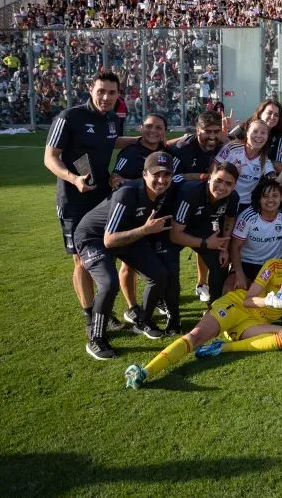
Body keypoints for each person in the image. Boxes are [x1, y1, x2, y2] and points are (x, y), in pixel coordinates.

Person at [124, 236, 282, 389]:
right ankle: (147, 371)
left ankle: (222, 348)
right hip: (237, 306)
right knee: (195, 336)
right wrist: (272, 300)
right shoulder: (275, 266)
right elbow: (249, 300)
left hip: (252, 324)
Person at [44, 71, 138, 333]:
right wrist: (73, 179)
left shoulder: (110, 119)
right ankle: (91, 317)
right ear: (90, 89)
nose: (106, 97)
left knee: (103, 257)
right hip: (73, 200)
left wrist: (147, 141)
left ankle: (103, 312)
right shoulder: (69, 117)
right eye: (101, 91)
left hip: (101, 199)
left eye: (111, 92)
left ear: (118, 94)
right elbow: (50, 157)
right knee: (81, 261)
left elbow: (111, 142)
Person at [73, 152, 177, 359]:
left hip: (129, 234)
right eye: (156, 174)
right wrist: (146, 230)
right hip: (93, 238)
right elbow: (109, 240)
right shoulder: (127, 193)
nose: (162, 180)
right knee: (109, 283)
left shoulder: (165, 190)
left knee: (159, 274)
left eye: (167, 175)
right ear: (144, 174)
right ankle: (96, 338)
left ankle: (142, 321)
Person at [107, 112, 170, 324]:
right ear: (141, 128)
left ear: (164, 132)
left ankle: (156, 297)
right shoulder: (131, 152)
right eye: (149, 126)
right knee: (129, 263)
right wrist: (121, 184)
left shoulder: (164, 153)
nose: (153, 131)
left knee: (154, 258)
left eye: (159, 128)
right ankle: (132, 307)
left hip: (154, 214)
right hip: (131, 216)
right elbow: (115, 177)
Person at [171, 162, 241, 302]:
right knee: (168, 268)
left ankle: (214, 307)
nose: (222, 187)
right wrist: (206, 243)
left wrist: (224, 248)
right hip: (176, 227)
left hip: (202, 226)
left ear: (234, 186)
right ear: (209, 178)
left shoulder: (233, 197)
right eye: (218, 181)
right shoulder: (190, 192)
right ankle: (172, 314)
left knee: (220, 263)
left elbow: (229, 220)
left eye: (228, 183)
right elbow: (175, 235)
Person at [229, 179, 282, 289]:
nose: (270, 200)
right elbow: (235, 246)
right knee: (229, 288)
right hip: (247, 262)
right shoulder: (248, 217)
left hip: (276, 263)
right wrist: (239, 274)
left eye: (275, 195)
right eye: (265, 196)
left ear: (281, 198)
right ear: (259, 199)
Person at [214, 119, 282, 211]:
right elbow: (212, 172)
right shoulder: (232, 148)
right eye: (255, 131)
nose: (259, 135)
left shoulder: (264, 160)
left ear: (267, 137)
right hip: (222, 198)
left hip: (244, 205)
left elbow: (276, 183)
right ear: (247, 133)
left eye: (263, 133)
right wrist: (231, 172)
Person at [228, 99, 282, 167]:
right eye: (269, 113)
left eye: (276, 115)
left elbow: (276, 164)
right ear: (260, 113)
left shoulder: (279, 135)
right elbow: (226, 143)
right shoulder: (245, 127)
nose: (272, 117)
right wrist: (225, 130)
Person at [168, 111, 224, 181]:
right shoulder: (182, 150)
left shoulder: (223, 147)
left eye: (216, 132)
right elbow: (170, 179)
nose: (212, 137)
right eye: (207, 132)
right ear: (197, 131)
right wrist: (200, 176)